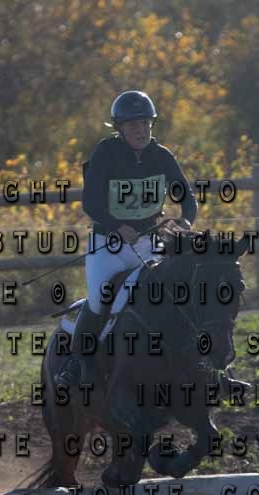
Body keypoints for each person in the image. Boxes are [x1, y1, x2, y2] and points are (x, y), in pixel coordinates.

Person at [56, 90, 198, 386]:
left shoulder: (162, 156)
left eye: (146, 123)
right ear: (119, 128)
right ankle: (77, 364)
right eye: (133, 124)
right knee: (99, 300)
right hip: (108, 246)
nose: (141, 130)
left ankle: (202, 364)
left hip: (149, 245)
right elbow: (90, 203)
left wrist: (184, 222)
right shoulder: (105, 153)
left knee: (175, 296)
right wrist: (116, 226)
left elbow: (188, 199)